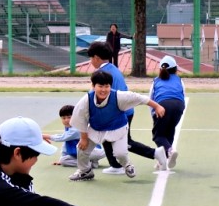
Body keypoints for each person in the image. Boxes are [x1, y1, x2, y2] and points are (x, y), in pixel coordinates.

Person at [67, 70, 166, 181]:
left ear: (110, 86)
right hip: (96, 128)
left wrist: (157, 106)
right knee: (81, 148)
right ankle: (85, 171)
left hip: (118, 128)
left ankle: (127, 165)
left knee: (120, 154)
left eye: (107, 86)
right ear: (93, 86)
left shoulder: (119, 96)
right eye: (100, 86)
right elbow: (80, 119)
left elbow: (139, 98)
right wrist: (83, 138)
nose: (104, 90)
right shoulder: (86, 100)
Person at [86, 40, 160, 171]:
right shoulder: (113, 69)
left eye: (91, 58)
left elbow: (99, 95)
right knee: (115, 140)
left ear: (96, 58)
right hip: (124, 110)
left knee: (118, 140)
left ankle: (151, 155)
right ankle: (117, 165)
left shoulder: (103, 74)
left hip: (119, 112)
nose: (91, 61)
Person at [150, 55, 185, 171]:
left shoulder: (156, 81)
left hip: (163, 105)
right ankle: (163, 161)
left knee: (158, 135)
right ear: (176, 69)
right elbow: (182, 94)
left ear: (160, 69)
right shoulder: (179, 80)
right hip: (179, 106)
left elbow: (151, 98)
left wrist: (154, 115)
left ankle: (170, 151)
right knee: (169, 132)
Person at [50, 104, 105, 169]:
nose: (66, 120)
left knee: (83, 151)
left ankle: (95, 160)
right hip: (82, 153)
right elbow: (65, 144)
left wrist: (45, 136)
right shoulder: (68, 127)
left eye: (69, 117)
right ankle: (91, 163)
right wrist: (61, 159)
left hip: (94, 151)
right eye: (63, 118)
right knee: (63, 160)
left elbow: (62, 137)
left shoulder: (76, 128)